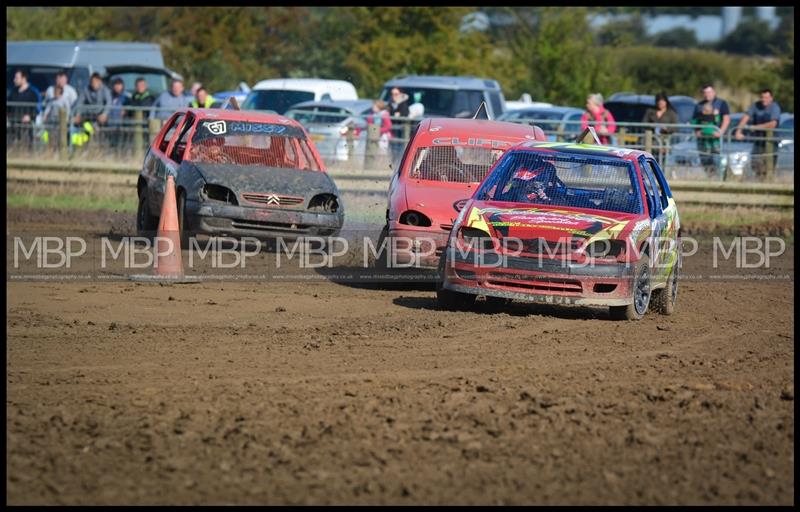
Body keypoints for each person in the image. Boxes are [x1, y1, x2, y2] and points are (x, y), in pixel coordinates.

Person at [734, 88, 781, 177]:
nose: (764, 100)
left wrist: (756, 127)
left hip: (771, 142)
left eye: (767, 97)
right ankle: (760, 180)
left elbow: (773, 124)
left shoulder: (775, 107)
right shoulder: (755, 106)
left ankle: (768, 182)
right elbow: (745, 117)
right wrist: (738, 131)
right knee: (756, 163)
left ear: (771, 98)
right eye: (762, 97)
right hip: (758, 141)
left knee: (769, 165)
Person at [691, 83, 731, 176]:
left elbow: (726, 119)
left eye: (709, 92)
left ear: (714, 92)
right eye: (705, 92)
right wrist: (697, 131)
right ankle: (711, 177)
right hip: (703, 139)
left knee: (717, 158)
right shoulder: (699, 105)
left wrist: (721, 132)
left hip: (716, 139)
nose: (707, 94)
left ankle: (721, 177)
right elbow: (694, 120)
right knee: (705, 158)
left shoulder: (721, 103)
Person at [72, 72, 112, 148]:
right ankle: (79, 148)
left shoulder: (105, 90)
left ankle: (100, 148)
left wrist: (104, 114)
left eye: (96, 82)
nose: (93, 84)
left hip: (100, 117)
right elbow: (80, 102)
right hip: (88, 116)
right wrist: (77, 114)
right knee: (78, 127)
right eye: (92, 82)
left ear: (100, 81)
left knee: (99, 132)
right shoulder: (86, 89)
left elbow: (109, 103)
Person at [642, 92, 680, 165]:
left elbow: (676, 127)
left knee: (662, 162)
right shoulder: (650, 111)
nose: (660, 103)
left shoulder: (671, 113)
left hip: (665, 141)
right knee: (649, 160)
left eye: (662, 101)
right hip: (651, 140)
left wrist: (667, 129)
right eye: (658, 101)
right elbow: (644, 123)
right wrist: (653, 126)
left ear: (666, 102)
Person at [8, 69, 43, 147]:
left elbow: (38, 108)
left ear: (24, 78)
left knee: (27, 145)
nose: (14, 80)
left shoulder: (33, 92)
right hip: (13, 124)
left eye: (17, 78)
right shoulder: (13, 92)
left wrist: (30, 116)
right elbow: (8, 107)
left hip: (27, 126)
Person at [108, 77, 130, 148]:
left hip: (121, 126)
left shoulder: (126, 97)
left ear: (122, 86)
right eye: (116, 84)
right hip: (110, 126)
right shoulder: (109, 97)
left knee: (121, 145)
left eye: (119, 84)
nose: (117, 87)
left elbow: (129, 109)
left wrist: (125, 111)